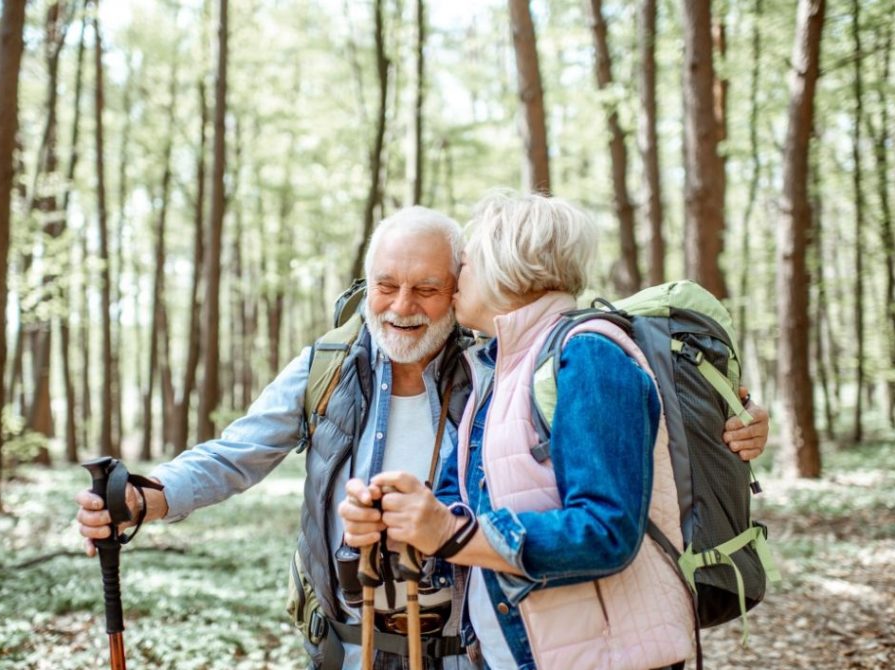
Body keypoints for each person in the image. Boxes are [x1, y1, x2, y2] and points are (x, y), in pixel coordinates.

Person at [76, 206, 769, 670]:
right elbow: (235, 453)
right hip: (351, 642)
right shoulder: (331, 368)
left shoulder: (497, 366)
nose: (402, 308)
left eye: (427, 289)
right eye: (386, 286)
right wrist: (148, 497)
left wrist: (734, 426)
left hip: (475, 645)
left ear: (463, 286)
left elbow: (603, 457)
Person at [340, 192, 743, 669]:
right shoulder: (497, 370)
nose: (452, 287)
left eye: (465, 265)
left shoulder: (588, 354)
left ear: (504, 268)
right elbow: (458, 512)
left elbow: (605, 530)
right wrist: (395, 522)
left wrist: (450, 530)